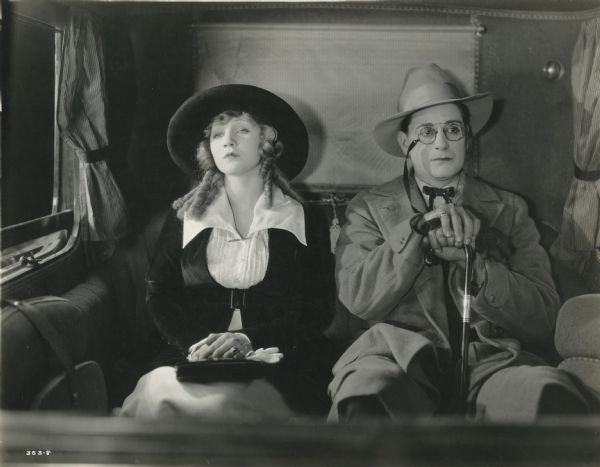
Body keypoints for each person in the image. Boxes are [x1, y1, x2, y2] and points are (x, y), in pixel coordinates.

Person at [327, 64, 590, 422]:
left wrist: (476, 268)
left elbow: (543, 316)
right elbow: (359, 298)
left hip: (493, 363)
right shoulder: (368, 209)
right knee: (365, 398)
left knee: (551, 396)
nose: (441, 143)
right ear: (405, 143)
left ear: (467, 137)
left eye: (453, 130)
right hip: (397, 360)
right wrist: (417, 231)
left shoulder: (510, 210)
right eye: (427, 131)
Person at [120, 84, 330, 419]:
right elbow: (158, 294)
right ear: (208, 148)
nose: (228, 141)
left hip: (276, 360)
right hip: (190, 357)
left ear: (268, 141)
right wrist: (198, 345)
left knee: (236, 408)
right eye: (217, 134)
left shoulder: (302, 217)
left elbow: (318, 309)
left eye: (242, 130)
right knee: (162, 395)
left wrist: (248, 340)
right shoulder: (186, 217)